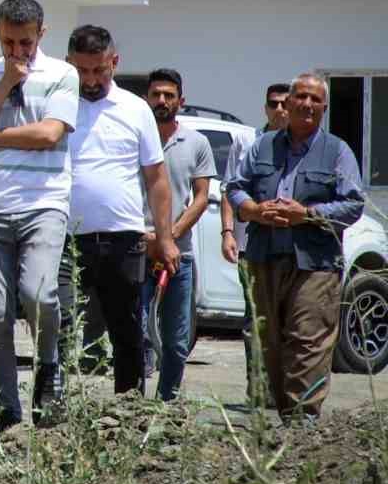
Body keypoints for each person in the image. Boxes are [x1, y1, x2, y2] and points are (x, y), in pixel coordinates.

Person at [225, 74, 365, 420]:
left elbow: (353, 204)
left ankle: (303, 425)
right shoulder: (263, 146)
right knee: (267, 344)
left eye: (315, 99)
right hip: (264, 258)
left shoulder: (338, 151)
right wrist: (254, 210)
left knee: (307, 341)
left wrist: (308, 214)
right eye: (300, 96)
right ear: (287, 104)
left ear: (324, 107)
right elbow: (235, 187)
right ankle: (281, 423)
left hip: (315, 265)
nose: (307, 104)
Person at [0, 0, 80, 428]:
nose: (18, 52)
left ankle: (49, 369)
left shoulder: (62, 74)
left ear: (42, 34)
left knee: (39, 293)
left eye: (27, 43)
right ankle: (5, 406)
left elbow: (49, 133)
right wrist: (2, 86)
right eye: (10, 42)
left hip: (44, 201)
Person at [63, 26, 178, 398]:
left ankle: (127, 414)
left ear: (115, 62)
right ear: (69, 64)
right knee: (60, 328)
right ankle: (51, 413)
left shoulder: (135, 108)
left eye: (99, 70)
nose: (91, 80)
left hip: (123, 239)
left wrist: (164, 238)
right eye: (82, 71)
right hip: (66, 239)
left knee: (127, 332)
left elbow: (157, 179)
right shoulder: (57, 105)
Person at [141, 68, 214, 401]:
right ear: (146, 98)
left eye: (169, 95)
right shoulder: (136, 138)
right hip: (138, 251)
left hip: (178, 257)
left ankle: (166, 403)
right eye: (156, 94)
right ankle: (131, 405)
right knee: (137, 332)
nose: (161, 101)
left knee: (177, 338)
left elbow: (200, 197)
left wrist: (169, 236)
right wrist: (149, 238)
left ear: (180, 101)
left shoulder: (197, 143)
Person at [219, 80, 292, 402]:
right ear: (265, 108)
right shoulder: (248, 142)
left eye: (283, 103)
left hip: (292, 250)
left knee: (290, 320)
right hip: (253, 246)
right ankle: (259, 391)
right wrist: (228, 233)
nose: (279, 109)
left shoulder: (305, 147)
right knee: (256, 320)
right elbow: (230, 190)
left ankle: (287, 390)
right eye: (273, 103)